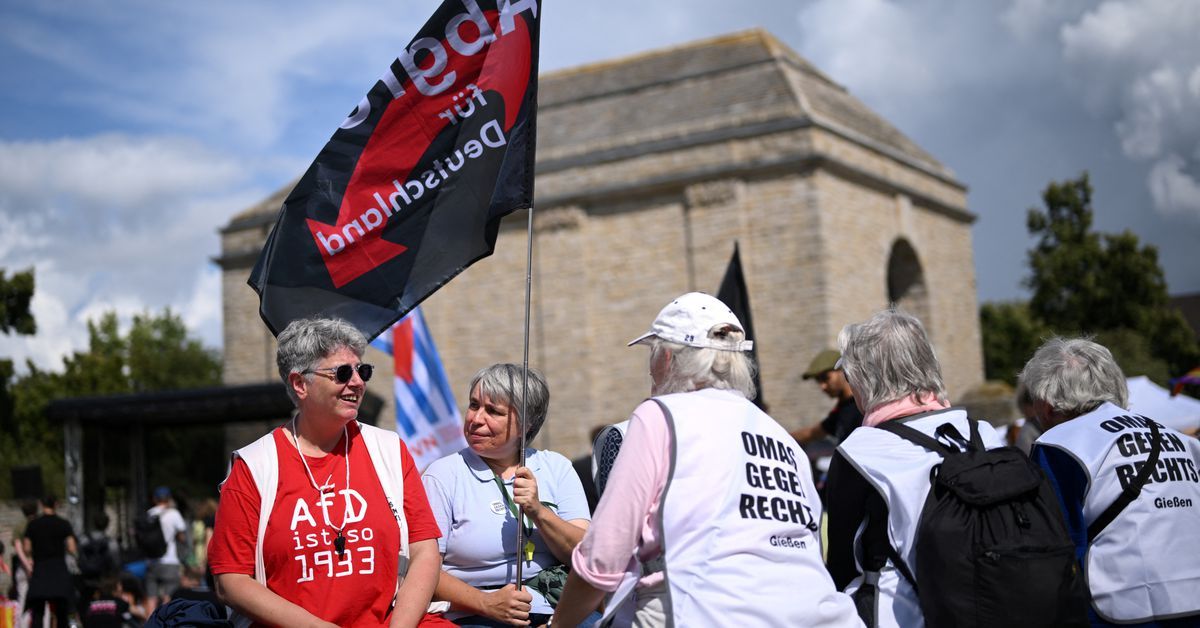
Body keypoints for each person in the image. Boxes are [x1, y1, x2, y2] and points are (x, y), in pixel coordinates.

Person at [550, 292, 860, 627]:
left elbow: (603, 555)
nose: (651, 369)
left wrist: (558, 624)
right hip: (816, 614)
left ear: (668, 357)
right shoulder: (782, 437)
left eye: (653, 354)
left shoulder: (660, 416)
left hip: (703, 610)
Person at [208, 317, 442, 627]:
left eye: (363, 371)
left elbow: (425, 551)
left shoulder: (389, 450)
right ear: (300, 384)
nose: (357, 382)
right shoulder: (254, 466)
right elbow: (231, 581)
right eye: (342, 373)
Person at [823, 309, 1005, 627]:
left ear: (868, 377)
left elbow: (842, 565)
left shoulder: (858, 452)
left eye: (851, 376)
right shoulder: (983, 434)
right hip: (992, 606)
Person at [1021, 337, 1200, 626]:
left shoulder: (1057, 445)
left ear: (1047, 403)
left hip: (1119, 608)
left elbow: (1054, 550)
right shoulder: (1180, 439)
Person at [422, 364, 591, 627]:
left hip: (557, 609)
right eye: (474, 405)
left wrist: (538, 511)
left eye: (493, 411)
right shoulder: (442, 475)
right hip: (473, 614)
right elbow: (424, 569)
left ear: (527, 424)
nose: (476, 419)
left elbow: (584, 554)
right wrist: (486, 603)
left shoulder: (556, 467)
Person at [22, 494, 77, 628]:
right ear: (56, 504)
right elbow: (72, 548)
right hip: (59, 570)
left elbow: (27, 548)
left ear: (41, 504)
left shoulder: (33, 524)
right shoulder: (64, 524)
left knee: (38, 612)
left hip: (40, 570)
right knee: (61, 612)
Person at [791, 349, 864, 445]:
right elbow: (811, 433)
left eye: (826, 378)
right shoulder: (840, 411)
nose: (822, 386)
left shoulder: (865, 404)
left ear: (843, 370)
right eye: (818, 381)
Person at [144, 486, 188, 611]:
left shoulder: (149, 514)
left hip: (151, 561)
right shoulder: (174, 514)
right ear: (169, 499)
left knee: (151, 597)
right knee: (168, 597)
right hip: (170, 560)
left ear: (154, 499)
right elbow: (182, 537)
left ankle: (149, 624)